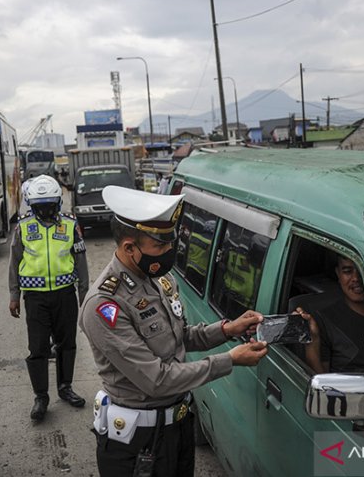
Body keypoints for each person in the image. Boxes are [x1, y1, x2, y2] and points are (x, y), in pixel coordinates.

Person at [80, 185, 269, 477]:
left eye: (170, 243)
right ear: (130, 248)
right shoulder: (105, 304)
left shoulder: (158, 280)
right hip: (138, 442)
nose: (169, 252)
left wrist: (228, 329)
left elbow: (181, 336)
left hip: (178, 425)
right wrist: (229, 359)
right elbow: (156, 380)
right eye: (160, 246)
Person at [8, 174, 89, 421]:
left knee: (67, 344)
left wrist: (85, 296)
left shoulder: (70, 224)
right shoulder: (23, 226)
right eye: (39, 208)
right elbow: (14, 262)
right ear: (31, 205)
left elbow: (81, 262)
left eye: (49, 207)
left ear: (58, 203)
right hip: (35, 298)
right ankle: (41, 396)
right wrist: (14, 295)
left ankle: (65, 388)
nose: (45, 212)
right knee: (38, 348)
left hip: (65, 295)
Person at [300, 256, 364, 381]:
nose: (356, 279)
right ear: (338, 273)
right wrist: (313, 340)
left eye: (363, 271)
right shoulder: (325, 320)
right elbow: (322, 383)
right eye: (347, 271)